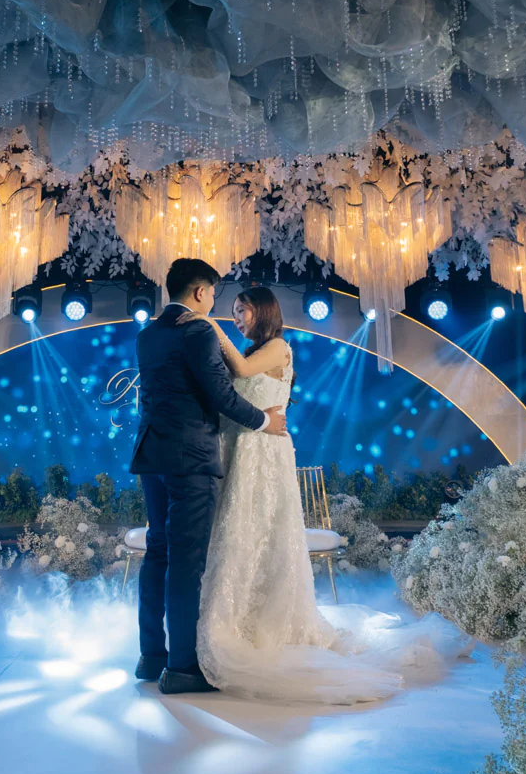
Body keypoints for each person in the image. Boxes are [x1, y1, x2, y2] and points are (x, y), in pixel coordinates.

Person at [175, 284, 456, 703]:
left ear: (263, 312)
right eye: (233, 312)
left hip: (262, 453)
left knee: (259, 532)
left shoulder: (276, 348)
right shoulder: (257, 349)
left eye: (242, 312)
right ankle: (237, 617)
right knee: (240, 534)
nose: (237, 319)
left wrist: (210, 328)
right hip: (243, 448)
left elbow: (240, 373)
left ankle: (257, 623)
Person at [130, 260, 287, 696]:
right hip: (191, 458)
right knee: (186, 559)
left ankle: (151, 656)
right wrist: (263, 422)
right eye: (215, 294)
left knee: (157, 551)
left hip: (152, 454)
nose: (216, 303)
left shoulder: (147, 335)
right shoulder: (196, 331)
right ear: (200, 292)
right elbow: (220, 394)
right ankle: (183, 667)